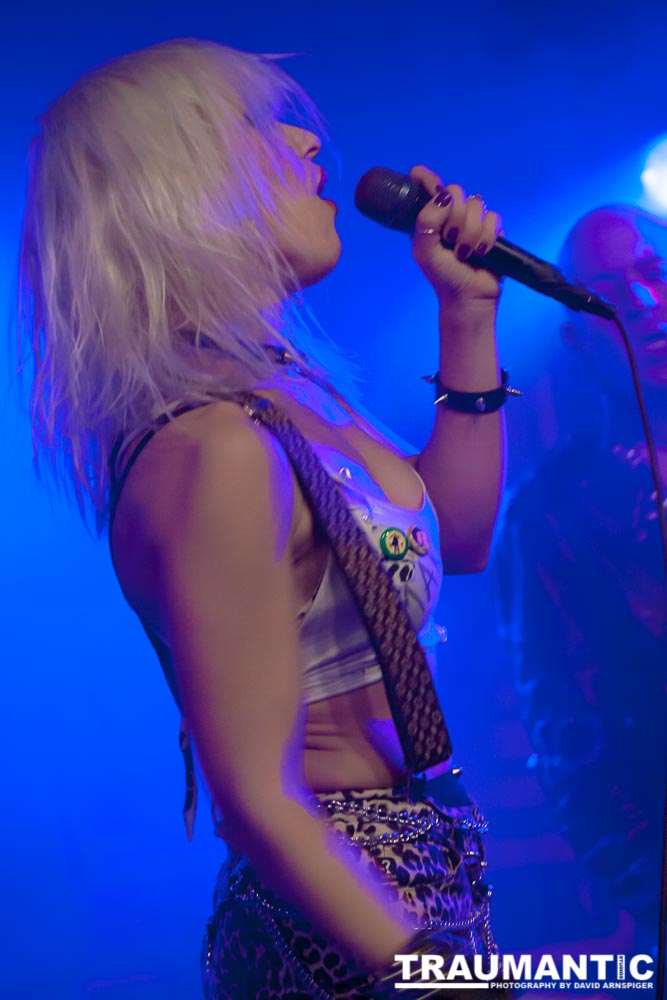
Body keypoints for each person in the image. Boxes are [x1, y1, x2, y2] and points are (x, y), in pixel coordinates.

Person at [18, 39, 512, 998]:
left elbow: (454, 538)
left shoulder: (288, 396)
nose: (305, 141)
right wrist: (440, 981)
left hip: (412, 874)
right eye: (256, 127)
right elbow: (253, 797)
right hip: (333, 918)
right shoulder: (211, 449)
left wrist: (466, 318)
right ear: (178, 191)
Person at [497, 205, 667, 955]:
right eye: (609, 293)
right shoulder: (551, 512)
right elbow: (568, 740)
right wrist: (652, 889)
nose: (644, 302)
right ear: (574, 336)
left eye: (655, 273)